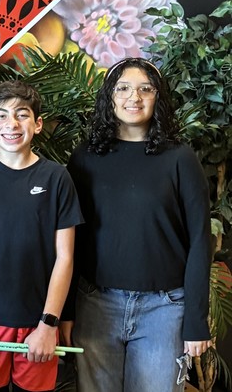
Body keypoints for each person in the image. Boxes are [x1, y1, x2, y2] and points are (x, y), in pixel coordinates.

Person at [67, 57, 211, 391]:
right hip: (96, 305)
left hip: (163, 309)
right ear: (110, 97)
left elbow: (201, 241)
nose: (135, 97)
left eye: (145, 89)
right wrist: (64, 314)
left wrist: (196, 323)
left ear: (158, 97)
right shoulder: (85, 157)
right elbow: (71, 238)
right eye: (124, 88)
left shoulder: (180, 158)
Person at [0, 80, 83, 392]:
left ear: (37, 125)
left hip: (37, 324)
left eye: (22, 115)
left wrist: (48, 325)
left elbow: (65, 258)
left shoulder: (57, 178)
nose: (12, 124)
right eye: (2, 116)